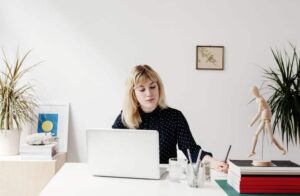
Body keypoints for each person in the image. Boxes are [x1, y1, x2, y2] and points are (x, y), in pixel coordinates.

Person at [112, 64, 228, 173]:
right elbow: (112, 149)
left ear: (159, 88)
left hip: (165, 178)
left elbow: (191, 150)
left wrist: (214, 163)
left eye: (152, 87)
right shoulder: (125, 117)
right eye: (142, 89)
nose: (149, 93)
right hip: (133, 175)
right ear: (133, 93)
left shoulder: (174, 116)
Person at [248, 85, 286, 157]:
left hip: (266, 116)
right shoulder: (258, 99)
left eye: (255, 91)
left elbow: (259, 112)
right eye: (253, 92)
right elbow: (263, 110)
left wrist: (252, 123)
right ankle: (252, 151)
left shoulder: (260, 100)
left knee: (271, 138)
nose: (254, 93)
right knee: (255, 134)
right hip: (264, 115)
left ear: (257, 91)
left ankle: (282, 149)